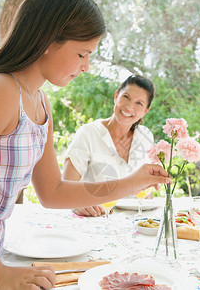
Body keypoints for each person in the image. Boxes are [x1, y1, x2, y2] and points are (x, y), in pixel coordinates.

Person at [0, 0, 170, 289]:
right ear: (49, 40)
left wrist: (133, 182)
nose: (86, 66)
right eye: (82, 53)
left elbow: (52, 192)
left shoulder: (39, 101)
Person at [62, 75, 155, 216]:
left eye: (139, 103)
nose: (130, 107)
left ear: (146, 111)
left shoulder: (145, 136)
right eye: (126, 97)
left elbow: (146, 190)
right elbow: (65, 188)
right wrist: (77, 204)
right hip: (94, 219)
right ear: (116, 96)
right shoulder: (88, 133)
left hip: (133, 223)